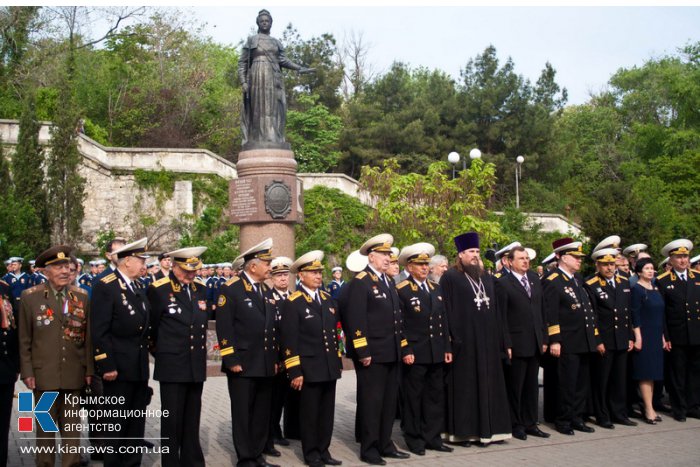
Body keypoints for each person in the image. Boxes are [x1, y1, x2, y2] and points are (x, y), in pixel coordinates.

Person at [18, 246, 93, 467]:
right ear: (45, 271)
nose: (65, 271)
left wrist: (89, 369)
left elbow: (88, 337)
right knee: (46, 431)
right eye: (58, 267)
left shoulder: (81, 296)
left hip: (73, 374)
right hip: (44, 375)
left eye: (67, 266)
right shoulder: (30, 298)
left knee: (72, 431)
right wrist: (27, 371)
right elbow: (24, 339)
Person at [341, 234, 409, 465]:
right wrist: (363, 351)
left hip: (391, 352)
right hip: (373, 354)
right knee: (372, 403)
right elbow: (356, 320)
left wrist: (401, 346)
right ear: (372, 256)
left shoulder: (388, 281)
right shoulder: (361, 282)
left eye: (390, 255)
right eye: (384, 255)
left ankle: (385, 443)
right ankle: (369, 448)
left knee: (389, 403)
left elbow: (396, 318)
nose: (389, 259)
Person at [440, 232, 511, 446]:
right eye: (471, 252)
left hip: (488, 343)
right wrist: (450, 341)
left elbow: (498, 311)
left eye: (478, 252)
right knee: (466, 389)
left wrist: (503, 341)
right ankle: (464, 433)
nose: (475, 256)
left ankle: (491, 431)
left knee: (491, 387)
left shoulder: (486, 277)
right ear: (460, 254)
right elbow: (445, 312)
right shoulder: (450, 278)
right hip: (464, 344)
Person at [215, 239, 280, 467]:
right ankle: (245, 458)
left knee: (261, 413)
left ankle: (257, 453)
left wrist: (273, 360)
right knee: (243, 413)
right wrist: (230, 358)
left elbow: (270, 328)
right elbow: (225, 327)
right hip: (242, 363)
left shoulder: (264, 290)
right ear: (253, 266)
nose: (270, 266)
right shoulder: (231, 288)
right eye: (267, 262)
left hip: (264, 363)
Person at [91, 238, 152, 467]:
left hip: (137, 366)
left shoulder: (135, 285)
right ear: (127, 261)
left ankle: (132, 463)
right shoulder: (106, 285)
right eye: (140, 259)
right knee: (117, 423)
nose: (144, 264)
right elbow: (99, 331)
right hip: (117, 368)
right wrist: (106, 365)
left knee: (135, 423)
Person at [148, 246, 210, 467]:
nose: (191, 274)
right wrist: (163, 352)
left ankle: (192, 460)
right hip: (172, 364)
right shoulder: (159, 290)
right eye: (186, 270)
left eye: (194, 270)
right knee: (172, 420)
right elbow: (152, 328)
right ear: (174, 266)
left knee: (192, 417)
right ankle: (171, 462)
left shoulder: (200, 289)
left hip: (195, 364)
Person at [280, 251, 343, 467]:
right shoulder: (294, 302)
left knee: (326, 412)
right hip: (308, 367)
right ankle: (311, 453)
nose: (318, 276)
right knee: (310, 414)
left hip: (328, 366)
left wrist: (337, 361)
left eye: (319, 272)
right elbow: (289, 339)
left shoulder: (327, 299)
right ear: (301, 275)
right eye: (313, 272)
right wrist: (294, 371)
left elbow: (333, 334)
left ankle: (324, 449)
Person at [395, 243, 453, 455]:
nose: (424, 268)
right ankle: (414, 438)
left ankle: (433, 437)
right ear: (409, 267)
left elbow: (443, 320)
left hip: (436, 350)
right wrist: (406, 349)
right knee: (414, 398)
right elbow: (399, 324)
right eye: (420, 265)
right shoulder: (401, 290)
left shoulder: (436, 288)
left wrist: (447, 346)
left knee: (434, 396)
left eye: (427, 264)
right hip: (415, 353)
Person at [543, 237, 602, 436]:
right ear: (561, 257)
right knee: (566, 384)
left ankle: (577, 417)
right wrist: (555, 340)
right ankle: (563, 419)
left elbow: (587, 310)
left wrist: (593, 337)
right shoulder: (553, 281)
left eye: (579, 257)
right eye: (574, 257)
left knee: (580, 384)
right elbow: (551, 313)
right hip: (567, 342)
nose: (579, 261)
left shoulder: (577, 280)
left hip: (583, 340)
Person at [495, 246, 550, 441]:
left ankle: (530, 422)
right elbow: (501, 317)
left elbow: (542, 310)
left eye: (527, 258)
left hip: (535, 341)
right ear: (509, 262)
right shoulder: (502, 282)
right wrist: (506, 343)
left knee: (531, 386)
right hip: (516, 342)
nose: (525, 261)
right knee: (515, 386)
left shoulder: (535, 279)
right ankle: (515, 423)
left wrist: (544, 337)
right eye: (521, 258)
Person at [238, 9, 313, 148]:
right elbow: (242, 63)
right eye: (262, 21)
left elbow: (283, 60)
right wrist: (243, 82)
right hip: (257, 75)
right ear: (258, 23)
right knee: (257, 108)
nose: (264, 23)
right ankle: (256, 137)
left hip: (273, 77)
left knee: (274, 107)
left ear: (271, 23)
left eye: (267, 21)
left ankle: (273, 136)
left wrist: (299, 68)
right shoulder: (251, 40)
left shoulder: (276, 42)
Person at [585, 248, 636, 428]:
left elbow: (628, 312)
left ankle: (619, 413)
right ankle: (602, 414)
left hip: (621, 337)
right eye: (605, 264)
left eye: (612, 264)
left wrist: (630, 336)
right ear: (597, 265)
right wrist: (597, 340)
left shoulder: (624, 282)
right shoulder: (591, 284)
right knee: (602, 381)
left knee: (619, 379)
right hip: (605, 340)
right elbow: (592, 316)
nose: (609, 268)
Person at [656, 239, 700, 421]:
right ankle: (679, 408)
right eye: (678, 257)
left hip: (696, 333)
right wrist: (665, 335)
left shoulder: (697, 278)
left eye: (685, 256)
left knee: (695, 373)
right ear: (670, 260)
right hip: (676, 334)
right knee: (677, 374)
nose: (683, 260)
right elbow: (662, 312)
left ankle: (693, 405)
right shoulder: (663, 281)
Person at [630, 257, 667, 424]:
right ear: (639, 272)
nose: (650, 271)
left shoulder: (655, 287)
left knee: (653, 373)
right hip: (644, 334)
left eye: (652, 268)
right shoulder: (636, 290)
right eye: (647, 269)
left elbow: (660, 314)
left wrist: (662, 337)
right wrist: (638, 337)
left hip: (656, 333)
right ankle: (648, 409)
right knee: (645, 373)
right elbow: (635, 315)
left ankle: (650, 406)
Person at [268, 256, 295, 447]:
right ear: (272, 279)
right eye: (278, 276)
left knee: (288, 396)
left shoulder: (294, 297)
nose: (283, 279)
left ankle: (288, 429)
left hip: (292, 357)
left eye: (285, 275)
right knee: (274, 398)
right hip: (277, 357)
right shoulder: (268, 299)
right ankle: (272, 431)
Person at [0, 277, 17, 467]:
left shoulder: (4, 288)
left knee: (2, 426)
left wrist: (16, 365)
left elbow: (14, 327)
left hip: (4, 369)